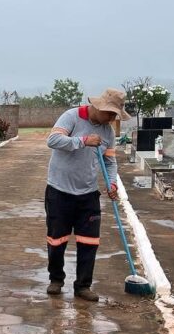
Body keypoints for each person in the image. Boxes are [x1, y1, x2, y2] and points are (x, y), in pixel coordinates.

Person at [44, 88, 130, 302]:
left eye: (115, 115)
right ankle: (56, 279)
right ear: (99, 107)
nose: (111, 119)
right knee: (57, 240)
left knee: (89, 242)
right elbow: (53, 141)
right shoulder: (71, 116)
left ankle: (83, 285)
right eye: (110, 113)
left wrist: (111, 183)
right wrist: (82, 141)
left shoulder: (108, 132)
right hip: (59, 191)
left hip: (88, 194)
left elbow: (110, 162)